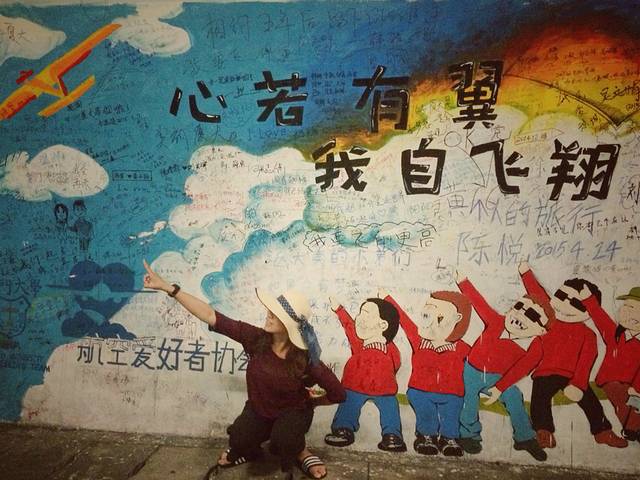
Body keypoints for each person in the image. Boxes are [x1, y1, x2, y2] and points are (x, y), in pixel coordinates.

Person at [142, 260, 345, 479]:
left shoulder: (305, 358)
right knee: (239, 439)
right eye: (271, 309)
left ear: (290, 325)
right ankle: (251, 450)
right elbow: (210, 315)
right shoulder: (255, 338)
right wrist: (169, 288)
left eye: (277, 314)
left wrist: (313, 402)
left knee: (284, 441)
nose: (269, 314)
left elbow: (338, 393)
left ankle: (301, 452)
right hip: (259, 410)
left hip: (292, 413)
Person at [496, 263, 627, 449]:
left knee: (591, 401)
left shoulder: (587, 334)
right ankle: (544, 432)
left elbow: (586, 361)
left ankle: (602, 432)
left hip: (572, 376)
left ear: (588, 311)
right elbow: (537, 294)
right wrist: (526, 273)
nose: (565, 304)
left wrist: (578, 384)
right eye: (561, 296)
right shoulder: (550, 320)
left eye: (575, 303)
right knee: (539, 399)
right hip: (545, 373)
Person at [456, 271, 550, 461]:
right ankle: (468, 435)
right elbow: (479, 303)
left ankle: (524, 437)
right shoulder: (497, 322)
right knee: (468, 397)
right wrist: (463, 282)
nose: (520, 314)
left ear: (541, 330)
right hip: (472, 369)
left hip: (499, 378)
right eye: (519, 306)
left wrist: (499, 388)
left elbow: (519, 370)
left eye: (531, 315)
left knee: (514, 396)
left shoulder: (534, 347)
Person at [384, 290, 471, 457]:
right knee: (426, 414)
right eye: (426, 315)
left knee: (451, 414)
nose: (431, 323)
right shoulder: (419, 341)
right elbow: (404, 320)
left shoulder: (462, 348)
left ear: (457, 319)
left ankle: (449, 438)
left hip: (453, 393)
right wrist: (388, 299)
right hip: (420, 390)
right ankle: (426, 437)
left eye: (440, 318)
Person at [324, 295, 406, 452]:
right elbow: (349, 325)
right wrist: (339, 309)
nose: (359, 319)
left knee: (390, 406)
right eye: (360, 313)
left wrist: (385, 379)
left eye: (367, 314)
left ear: (383, 325)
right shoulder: (360, 344)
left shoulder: (390, 348)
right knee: (348, 402)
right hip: (355, 386)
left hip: (383, 390)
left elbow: (396, 363)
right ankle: (343, 429)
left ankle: (392, 435)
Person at [580, 285, 640, 443]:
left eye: (635, 309)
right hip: (610, 379)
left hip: (632, 383)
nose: (628, 312)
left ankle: (633, 428)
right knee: (621, 397)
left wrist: (637, 388)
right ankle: (633, 428)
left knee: (634, 401)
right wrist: (588, 298)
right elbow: (600, 317)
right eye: (627, 307)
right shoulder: (615, 335)